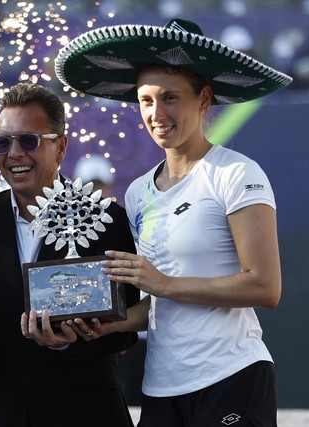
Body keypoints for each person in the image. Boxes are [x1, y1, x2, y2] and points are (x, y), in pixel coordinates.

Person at [55, 18, 292, 426]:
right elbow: (160, 304)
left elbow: (265, 287)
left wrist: (162, 283)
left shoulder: (237, 173)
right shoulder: (137, 193)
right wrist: (108, 324)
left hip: (231, 376)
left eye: (170, 98)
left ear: (203, 99)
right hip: (161, 387)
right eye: (146, 100)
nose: (156, 113)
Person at [0, 82, 140, 427]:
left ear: (60, 148)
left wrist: (67, 341)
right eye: (2, 143)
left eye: (29, 140)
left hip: (86, 410)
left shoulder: (105, 219)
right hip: (6, 410)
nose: (14, 153)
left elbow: (126, 324)